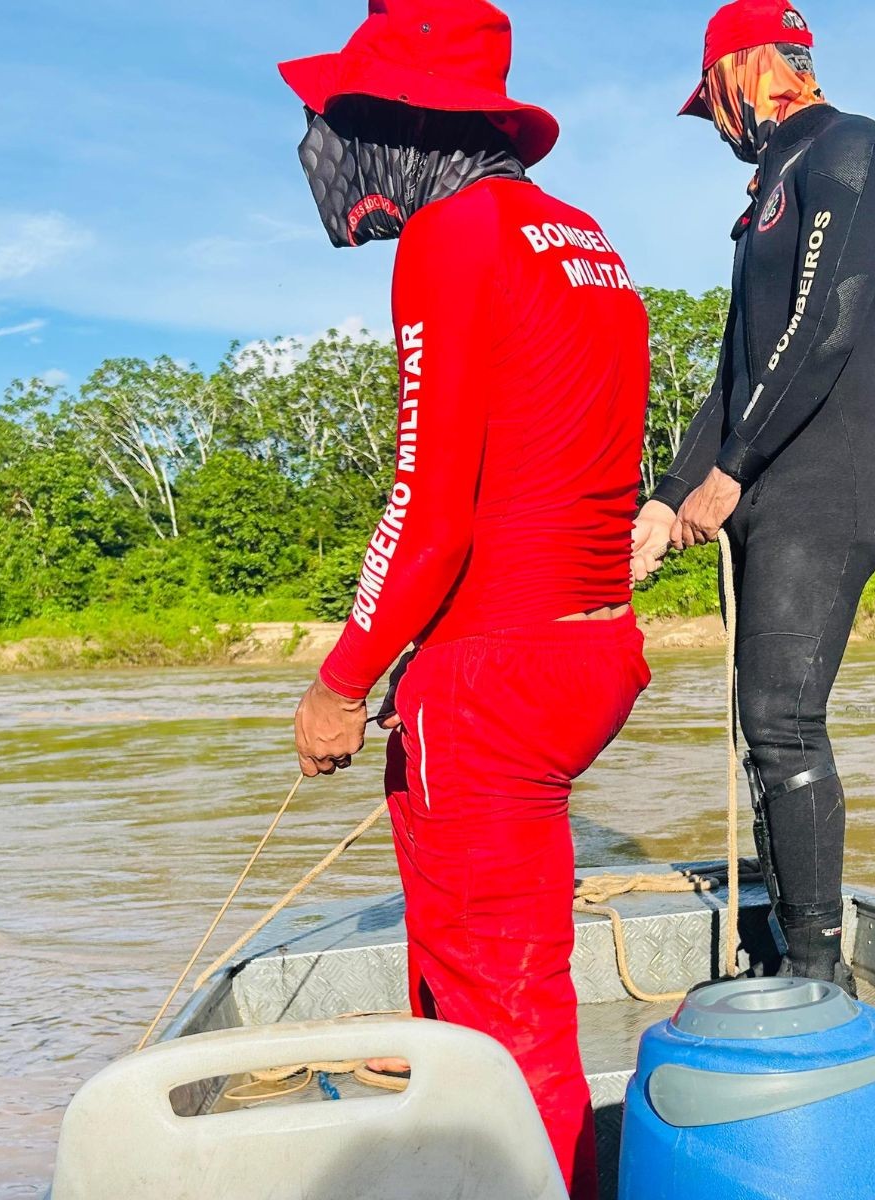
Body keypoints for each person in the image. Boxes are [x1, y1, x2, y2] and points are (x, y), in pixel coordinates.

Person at [282, 3, 652, 1195]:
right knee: (487, 984)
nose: (314, 145)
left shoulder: (448, 237)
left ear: (386, 124)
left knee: (501, 1013)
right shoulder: (578, 234)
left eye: (326, 119)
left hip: (494, 678)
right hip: (591, 651)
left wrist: (342, 681)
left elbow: (425, 500)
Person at [632, 0, 875, 992]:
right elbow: (738, 364)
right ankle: (795, 947)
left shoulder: (851, 151)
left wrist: (733, 466)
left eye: (708, 100)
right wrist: (668, 494)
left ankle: (816, 973)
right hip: (760, 477)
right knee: (765, 727)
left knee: (785, 721)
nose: (711, 124)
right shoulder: (765, 191)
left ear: (747, 72)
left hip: (821, 482)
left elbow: (821, 329)